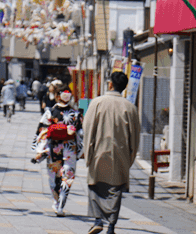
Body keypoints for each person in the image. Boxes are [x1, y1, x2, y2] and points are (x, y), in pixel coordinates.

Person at [83, 71, 140, 234]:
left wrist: (88, 150)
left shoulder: (97, 102)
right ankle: (111, 226)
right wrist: (131, 155)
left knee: (95, 184)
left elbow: (87, 128)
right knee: (115, 189)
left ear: (110, 84)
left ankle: (97, 220)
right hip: (120, 154)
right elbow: (135, 134)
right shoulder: (130, 107)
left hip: (99, 151)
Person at [33, 84, 83, 216]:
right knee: (67, 176)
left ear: (56, 96)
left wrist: (39, 150)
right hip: (69, 148)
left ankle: (56, 203)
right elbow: (81, 134)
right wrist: (80, 151)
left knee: (53, 177)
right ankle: (61, 204)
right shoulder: (76, 114)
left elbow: (42, 131)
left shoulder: (50, 112)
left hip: (53, 148)